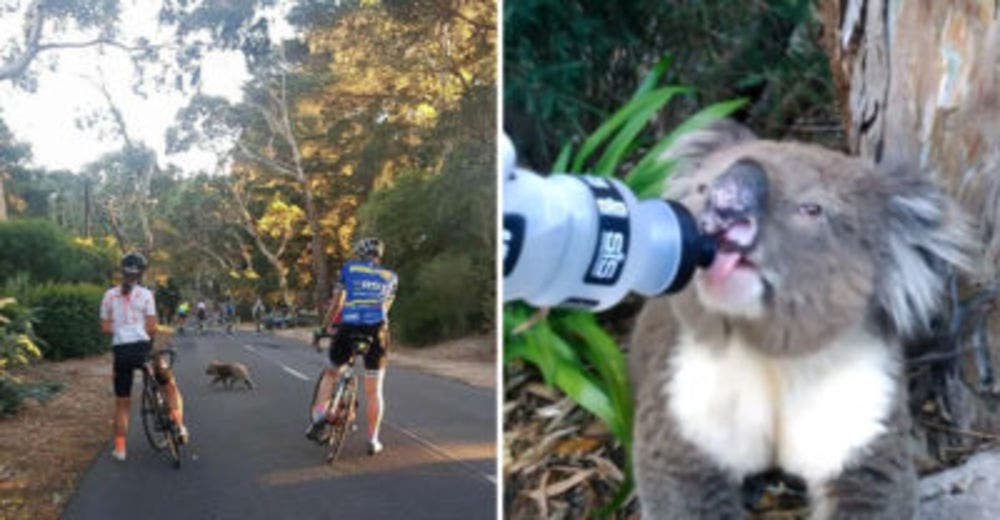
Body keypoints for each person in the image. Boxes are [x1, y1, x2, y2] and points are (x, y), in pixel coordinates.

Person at [307, 237, 397, 455]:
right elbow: (386, 307)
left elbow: (337, 302)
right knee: (374, 391)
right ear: (379, 256)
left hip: (349, 326)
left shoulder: (349, 268)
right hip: (377, 331)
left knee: (331, 373)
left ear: (360, 254)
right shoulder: (391, 277)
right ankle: (373, 440)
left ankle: (320, 416)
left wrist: (324, 328)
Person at [100, 252, 188, 461]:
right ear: (142, 273)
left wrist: (122, 330)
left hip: (121, 352)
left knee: (122, 403)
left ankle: (120, 449)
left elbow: (104, 327)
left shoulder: (109, 295)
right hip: (143, 348)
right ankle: (179, 426)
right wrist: (140, 335)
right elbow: (151, 327)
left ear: (123, 271)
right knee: (169, 385)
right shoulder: (146, 295)